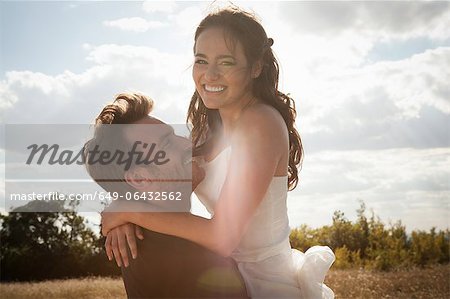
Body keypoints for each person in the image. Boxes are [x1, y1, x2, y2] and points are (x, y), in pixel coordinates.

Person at [101, 7, 335, 298]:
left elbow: (222, 236)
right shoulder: (207, 127)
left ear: (256, 66)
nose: (209, 74)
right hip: (223, 271)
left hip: (265, 282)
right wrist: (120, 215)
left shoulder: (260, 123)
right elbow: (158, 181)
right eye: (201, 60)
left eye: (226, 62)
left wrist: (130, 211)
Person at [84, 93, 249, 298]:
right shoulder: (185, 258)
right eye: (167, 144)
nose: (187, 144)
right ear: (140, 179)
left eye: (173, 135)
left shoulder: (149, 235)